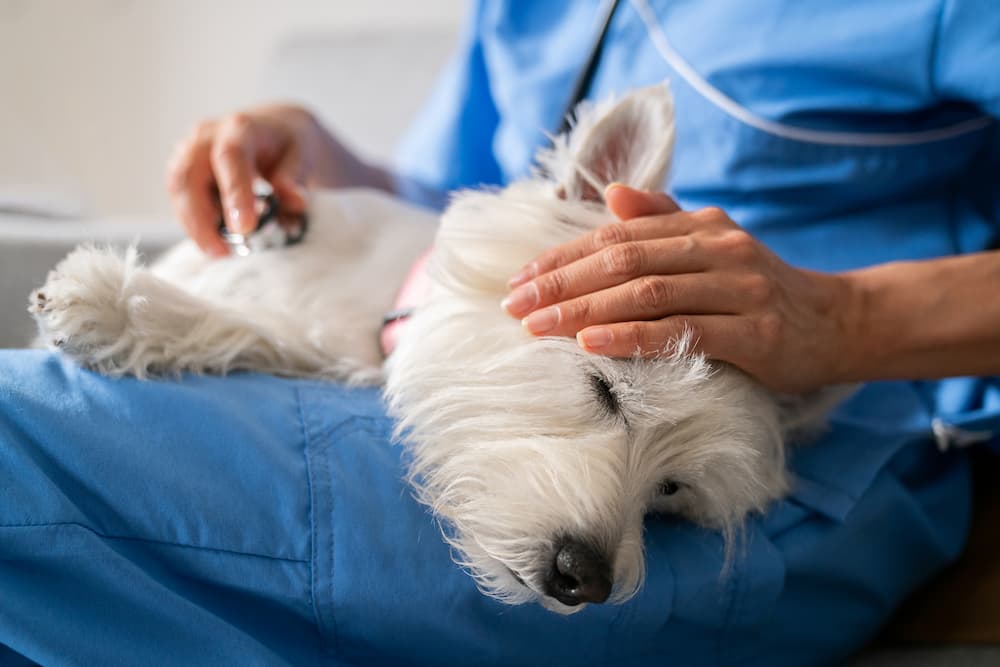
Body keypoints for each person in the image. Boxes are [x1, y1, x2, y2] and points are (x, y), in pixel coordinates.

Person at [2, 1, 998, 665]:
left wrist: (848, 316)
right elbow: (467, 205)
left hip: (827, 454)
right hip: (488, 359)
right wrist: (316, 154)